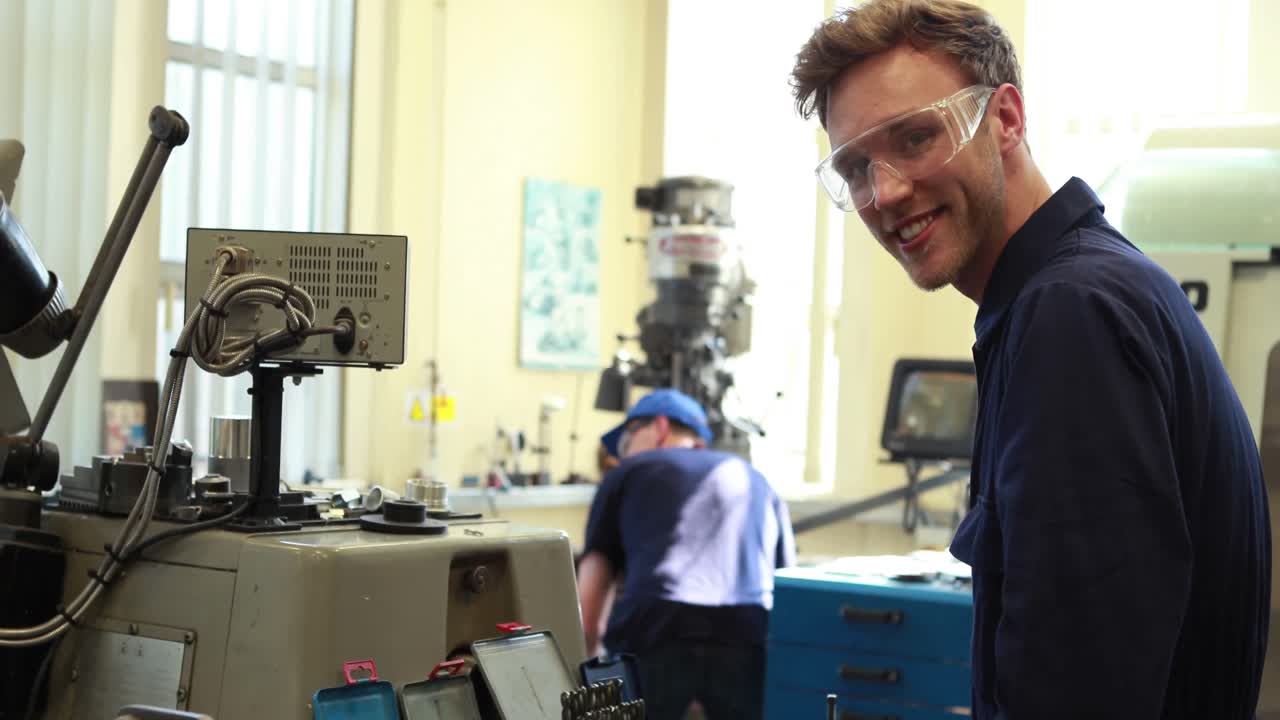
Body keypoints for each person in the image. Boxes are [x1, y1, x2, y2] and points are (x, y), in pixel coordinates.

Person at [791, 2, 1269, 718]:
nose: (884, 193)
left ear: (1006, 119)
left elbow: (1078, 689)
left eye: (916, 137)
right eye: (856, 168)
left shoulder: (1070, 314)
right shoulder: (1080, 293)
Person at [577, 389, 795, 720]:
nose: (623, 454)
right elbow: (787, 583)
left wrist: (586, 662)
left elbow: (594, 584)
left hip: (657, 627)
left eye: (626, 442)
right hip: (748, 631)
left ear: (660, 428)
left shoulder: (628, 471)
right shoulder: (754, 477)